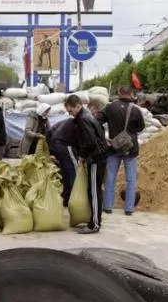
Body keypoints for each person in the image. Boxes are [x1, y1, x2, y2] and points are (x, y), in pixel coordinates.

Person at [64, 94, 108, 234]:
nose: (70, 114)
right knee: (92, 190)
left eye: (71, 111)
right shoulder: (87, 116)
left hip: (95, 158)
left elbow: (89, 142)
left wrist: (82, 155)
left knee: (94, 191)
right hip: (98, 157)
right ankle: (94, 220)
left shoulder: (83, 119)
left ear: (78, 106)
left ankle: (94, 224)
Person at [98, 86, 144, 215]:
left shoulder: (110, 107)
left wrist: (104, 138)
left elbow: (97, 121)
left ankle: (107, 206)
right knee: (131, 179)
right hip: (131, 148)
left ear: (119, 93)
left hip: (114, 146)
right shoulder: (136, 110)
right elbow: (141, 127)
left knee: (111, 177)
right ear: (131, 94)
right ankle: (129, 209)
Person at [48, 113, 78, 206]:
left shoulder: (65, 122)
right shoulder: (77, 123)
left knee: (64, 173)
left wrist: (51, 152)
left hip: (56, 145)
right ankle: (74, 200)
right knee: (74, 172)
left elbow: (49, 132)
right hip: (65, 146)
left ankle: (66, 199)